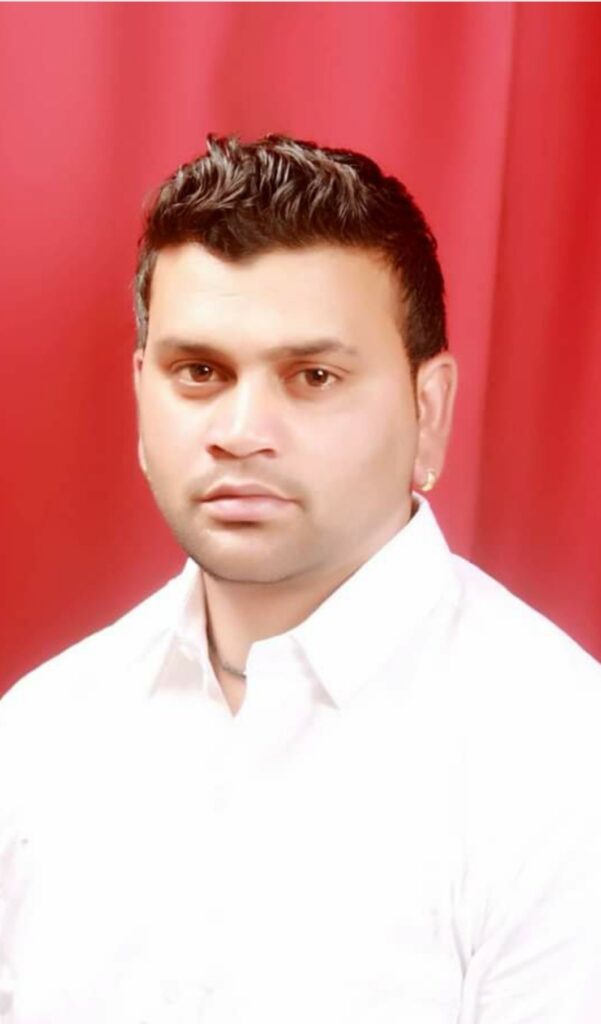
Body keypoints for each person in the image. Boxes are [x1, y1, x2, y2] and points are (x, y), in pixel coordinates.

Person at [1, 134, 600, 1024]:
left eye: (313, 376)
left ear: (427, 410)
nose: (241, 431)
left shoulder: (560, 761)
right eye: (198, 372)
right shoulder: (41, 732)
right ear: (141, 393)